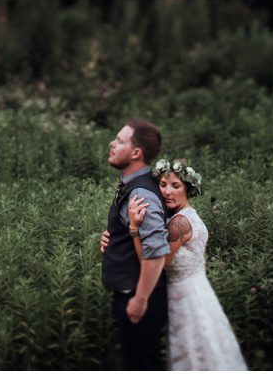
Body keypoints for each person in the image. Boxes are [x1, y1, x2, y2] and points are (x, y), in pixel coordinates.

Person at [118, 157, 248, 371]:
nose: (167, 191)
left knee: (195, 356)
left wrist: (133, 229)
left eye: (175, 186)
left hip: (187, 300)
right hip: (197, 292)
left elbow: (151, 260)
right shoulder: (185, 216)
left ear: (188, 189)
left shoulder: (179, 223)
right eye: (163, 184)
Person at [100, 118, 170, 370]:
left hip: (140, 296)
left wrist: (140, 298)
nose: (112, 143)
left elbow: (156, 251)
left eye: (120, 141)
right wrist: (114, 240)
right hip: (133, 292)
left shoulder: (141, 193)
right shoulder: (137, 185)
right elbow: (137, 235)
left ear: (136, 153)